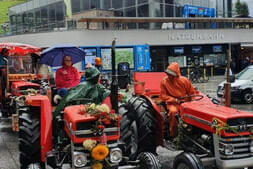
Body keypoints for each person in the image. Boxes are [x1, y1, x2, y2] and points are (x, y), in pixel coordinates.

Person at [160, 62, 197, 138]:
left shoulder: (184, 80)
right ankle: (175, 136)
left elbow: (192, 93)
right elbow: (163, 95)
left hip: (185, 102)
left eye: (171, 74)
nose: (169, 76)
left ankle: (193, 133)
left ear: (177, 73)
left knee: (194, 113)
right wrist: (174, 100)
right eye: (168, 74)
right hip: (172, 103)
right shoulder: (164, 81)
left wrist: (193, 102)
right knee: (173, 113)